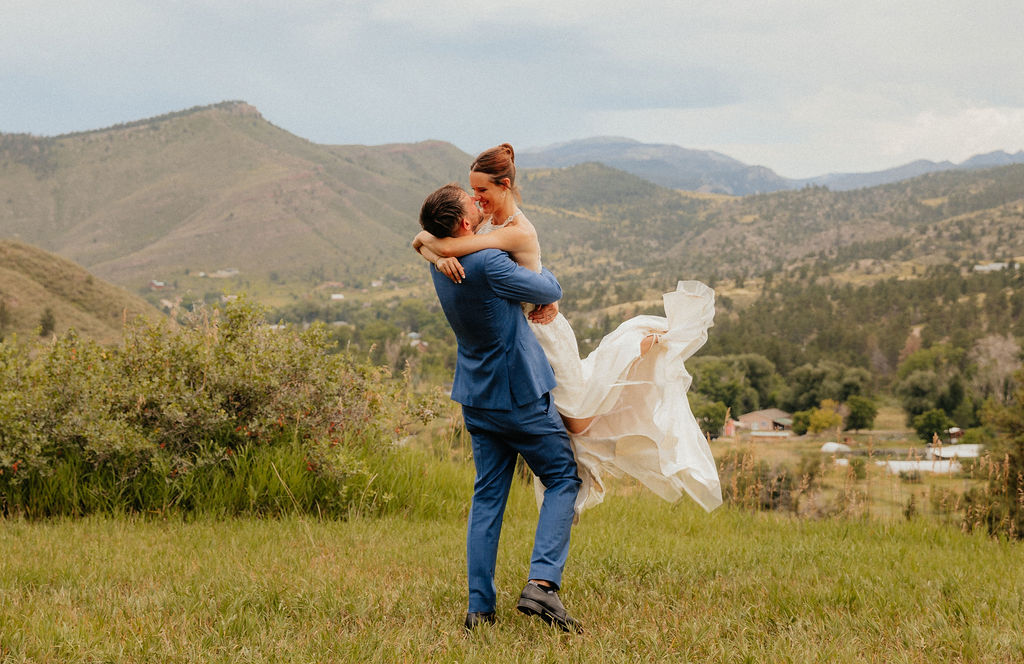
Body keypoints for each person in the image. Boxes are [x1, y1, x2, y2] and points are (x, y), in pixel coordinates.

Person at [414, 144, 722, 517]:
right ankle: (562, 499)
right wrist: (436, 255)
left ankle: (630, 350)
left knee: (575, 419)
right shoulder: (487, 224)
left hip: (545, 332)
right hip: (523, 338)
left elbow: (442, 241)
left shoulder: (515, 231)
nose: (477, 201)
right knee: (566, 421)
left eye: (482, 192)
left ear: (505, 185)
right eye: (473, 192)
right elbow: (424, 239)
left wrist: (438, 251)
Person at [419, 183, 584, 633]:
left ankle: (480, 608)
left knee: (488, 497)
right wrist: (503, 242)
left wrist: (435, 249)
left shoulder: (441, 263)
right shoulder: (488, 262)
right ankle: (543, 585)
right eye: (471, 200)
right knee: (563, 478)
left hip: (476, 397)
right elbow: (551, 286)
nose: (478, 200)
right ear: (465, 224)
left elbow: (425, 242)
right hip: (520, 397)